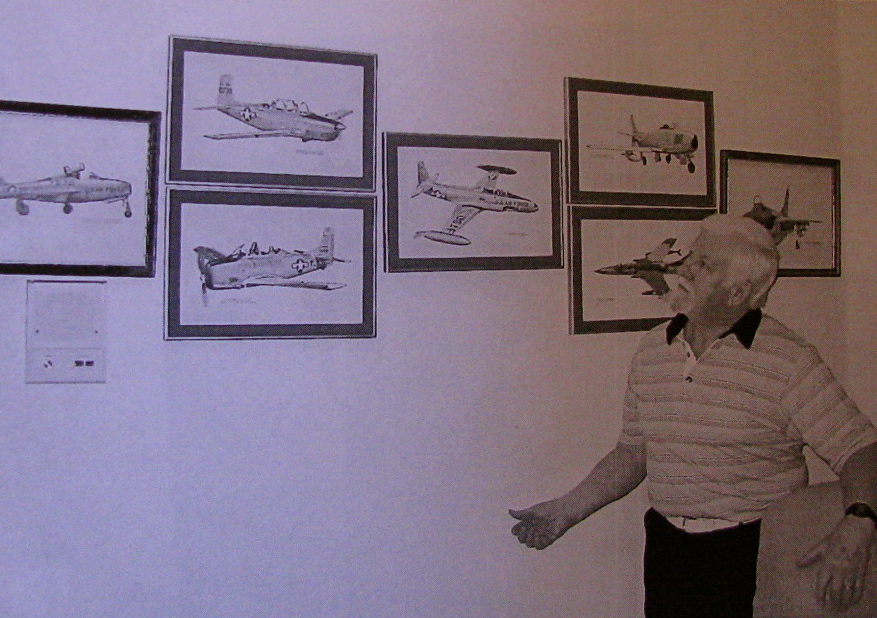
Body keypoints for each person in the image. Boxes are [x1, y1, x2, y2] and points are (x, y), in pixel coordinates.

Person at [510, 214, 877, 617]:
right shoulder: (653, 350)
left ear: (737, 292)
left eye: (702, 264)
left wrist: (858, 524)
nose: (682, 267)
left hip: (754, 552)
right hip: (669, 550)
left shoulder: (788, 361)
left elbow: (861, 450)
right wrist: (565, 511)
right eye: (690, 258)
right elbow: (633, 454)